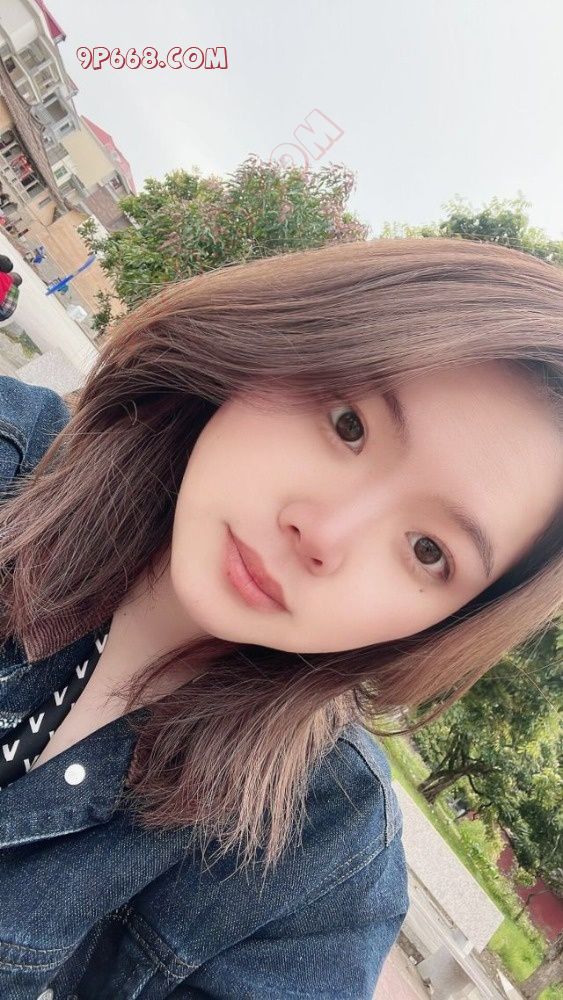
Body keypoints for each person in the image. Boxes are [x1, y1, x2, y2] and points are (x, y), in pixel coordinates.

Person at [0, 237, 561, 999]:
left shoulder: (317, 856)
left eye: (427, 550)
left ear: (451, 620)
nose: (323, 533)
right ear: (281, 344)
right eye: (348, 423)